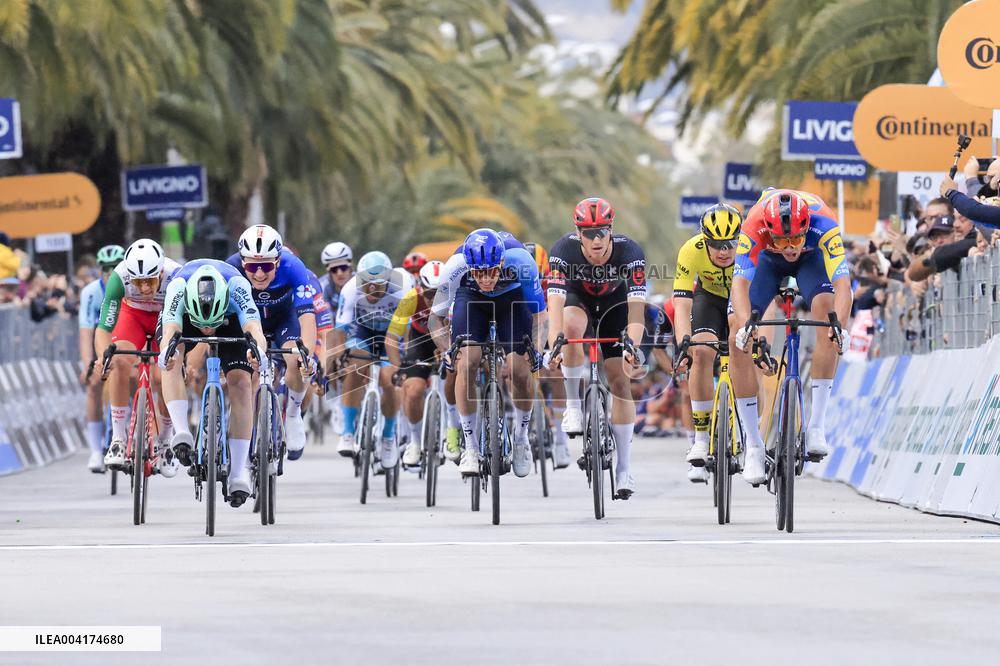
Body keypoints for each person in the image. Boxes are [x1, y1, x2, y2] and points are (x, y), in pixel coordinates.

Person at [729, 189, 852, 485]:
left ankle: (817, 426)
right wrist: (746, 325)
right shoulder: (753, 225)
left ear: (806, 227)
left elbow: (843, 283)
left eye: (796, 239)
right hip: (767, 266)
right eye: (782, 240)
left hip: (813, 263)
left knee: (827, 313)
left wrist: (841, 327)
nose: (790, 247)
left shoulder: (824, 221)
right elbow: (740, 284)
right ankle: (754, 447)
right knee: (736, 329)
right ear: (769, 231)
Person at [544, 197, 647, 498]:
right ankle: (574, 407)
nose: (597, 239)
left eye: (602, 231)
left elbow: (637, 309)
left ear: (611, 229)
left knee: (619, 380)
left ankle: (624, 469)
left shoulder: (630, 252)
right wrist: (554, 344)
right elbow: (555, 305)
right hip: (578, 302)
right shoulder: (562, 252)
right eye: (589, 234)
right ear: (578, 234)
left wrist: (633, 345)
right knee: (570, 329)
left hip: (616, 306)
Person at [430, 228, 546, 479]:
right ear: (469, 267)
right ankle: (470, 447)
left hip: (511, 299)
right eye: (478, 273)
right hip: (472, 301)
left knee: (519, 369)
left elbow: (540, 316)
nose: (485, 279)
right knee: (466, 363)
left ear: (501, 262)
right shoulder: (456, 265)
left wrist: (536, 350)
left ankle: (522, 438)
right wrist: (447, 350)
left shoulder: (522, 261)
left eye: (491, 271)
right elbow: (435, 319)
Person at [159, 260, 267, 507]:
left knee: (241, 383)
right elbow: (171, 329)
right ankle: (182, 431)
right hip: (187, 319)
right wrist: (168, 351)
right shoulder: (178, 287)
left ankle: (238, 473)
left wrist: (258, 351)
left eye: (211, 326)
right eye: (203, 327)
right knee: (170, 359)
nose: (208, 331)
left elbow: (253, 328)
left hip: (230, 321)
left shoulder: (237, 286)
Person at [227, 224, 316, 460]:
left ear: (277, 261)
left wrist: (307, 354)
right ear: (242, 262)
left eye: (266, 266)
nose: (259, 274)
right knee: (244, 377)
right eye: (253, 267)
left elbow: (307, 316)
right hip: (248, 323)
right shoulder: (231, 267)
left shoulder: (294, 266)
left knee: (297, 359)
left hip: (284, 321)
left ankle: (294, 413)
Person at [96, 239, 182, 474]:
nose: (144, 288)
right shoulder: (118, 277)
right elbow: (104, 327)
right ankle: (118, 438)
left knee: (162, 374)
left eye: (150, 281)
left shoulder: (176, 275)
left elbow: (185, 323)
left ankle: (165, 441)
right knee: (119, 362)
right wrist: (104, 359)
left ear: (161, 272)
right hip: (132, 315)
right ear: (129, 277)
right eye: (138, 282)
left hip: (165, 317)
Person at [672, 203, 742, 483]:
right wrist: (683, 343)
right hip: (709, 299)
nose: (724, 251)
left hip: (742, 296)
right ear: (704, 240)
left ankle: (750, 434)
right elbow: (681, 303)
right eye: (716, 244)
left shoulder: (750, 248)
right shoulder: (691, 250)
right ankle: (700, 439)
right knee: (700, 353)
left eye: (729, 243)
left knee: (748, 353)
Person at [333, 251, 414, 468]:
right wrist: (341, 357)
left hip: (393, 332)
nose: (371, 289)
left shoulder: (403, 287)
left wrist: (402, 360)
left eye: (377, 284)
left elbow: (406, 333)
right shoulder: (350, 289)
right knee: (354, 368)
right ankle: (348, 432)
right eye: (366, 283)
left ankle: (388, 436)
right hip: (363, 332)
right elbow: (340, 330)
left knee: (390, 381)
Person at [522, 241, 571, 468]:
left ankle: (561, 441)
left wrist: (552, 349)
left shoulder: (554, 279)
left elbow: (556, 314)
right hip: (524, 323)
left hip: (548, 323)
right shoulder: (517, 278)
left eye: (541, 278)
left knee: (555, 372)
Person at [78, 244, 125, 472]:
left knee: (133, 376)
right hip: (100, 343)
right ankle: (96, 451)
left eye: (115, 267)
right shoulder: (90, 292)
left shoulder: (128, 287)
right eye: (106, 268)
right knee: (93, 385)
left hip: (123, 339)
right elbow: (86, 330)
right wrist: (89, 363)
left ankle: (133, 433)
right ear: (100, 270)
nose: (110, 272)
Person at [399, 260, 444, 466]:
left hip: (448, 337)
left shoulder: (455, 297)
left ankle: (453, 432)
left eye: (438, 294)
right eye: (428, 294)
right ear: (420, 289)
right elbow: (393, 334)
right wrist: (398, 365)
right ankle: (415, 442)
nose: (433, 300)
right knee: (414, 389)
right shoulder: (411, 298)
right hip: (420, 340)